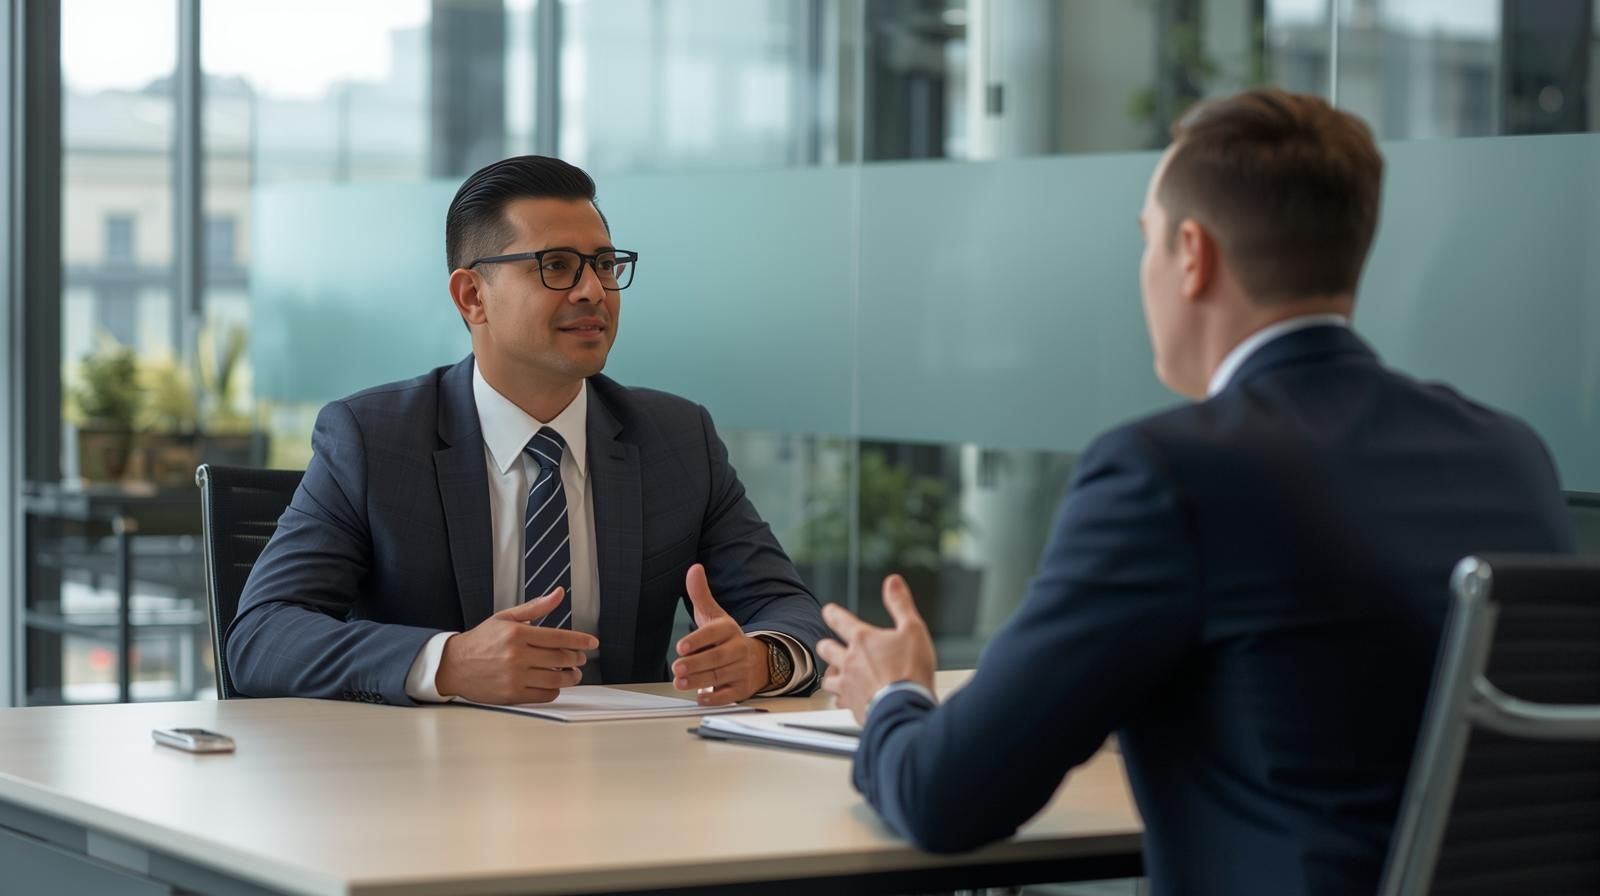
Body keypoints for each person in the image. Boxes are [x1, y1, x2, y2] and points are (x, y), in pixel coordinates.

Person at [817, 89, 1576, 895]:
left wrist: (893, 693)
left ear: (1191, 253)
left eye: (1144, 242)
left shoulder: (1166, 473)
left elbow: (947, 796)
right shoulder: (1511, 454)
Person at [228, 155, 827, 707]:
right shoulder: (373, 439)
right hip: (427, 787)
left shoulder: (675, 439)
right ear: (472, 297)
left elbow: (787, 608)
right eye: (558, 266)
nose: (594, 290)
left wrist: (762, 660)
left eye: (604, 265)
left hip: (631, 779)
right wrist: (447, 662)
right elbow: (263, 634)